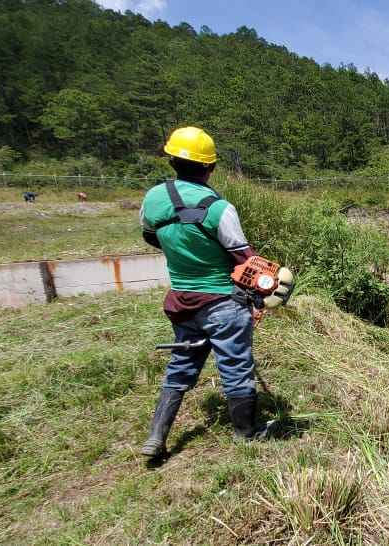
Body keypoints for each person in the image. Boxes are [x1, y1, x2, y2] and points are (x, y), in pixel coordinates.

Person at [137, 126, 271, 458]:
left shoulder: (153, 199)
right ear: (210, 166)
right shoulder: (218, 208)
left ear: (171, 160)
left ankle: (156, 437)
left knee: (181, 364)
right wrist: (260, 295)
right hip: (223, 302)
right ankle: (247, 433)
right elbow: (245, 259)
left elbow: (151, 236)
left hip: (182, 300)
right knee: (236, 365)